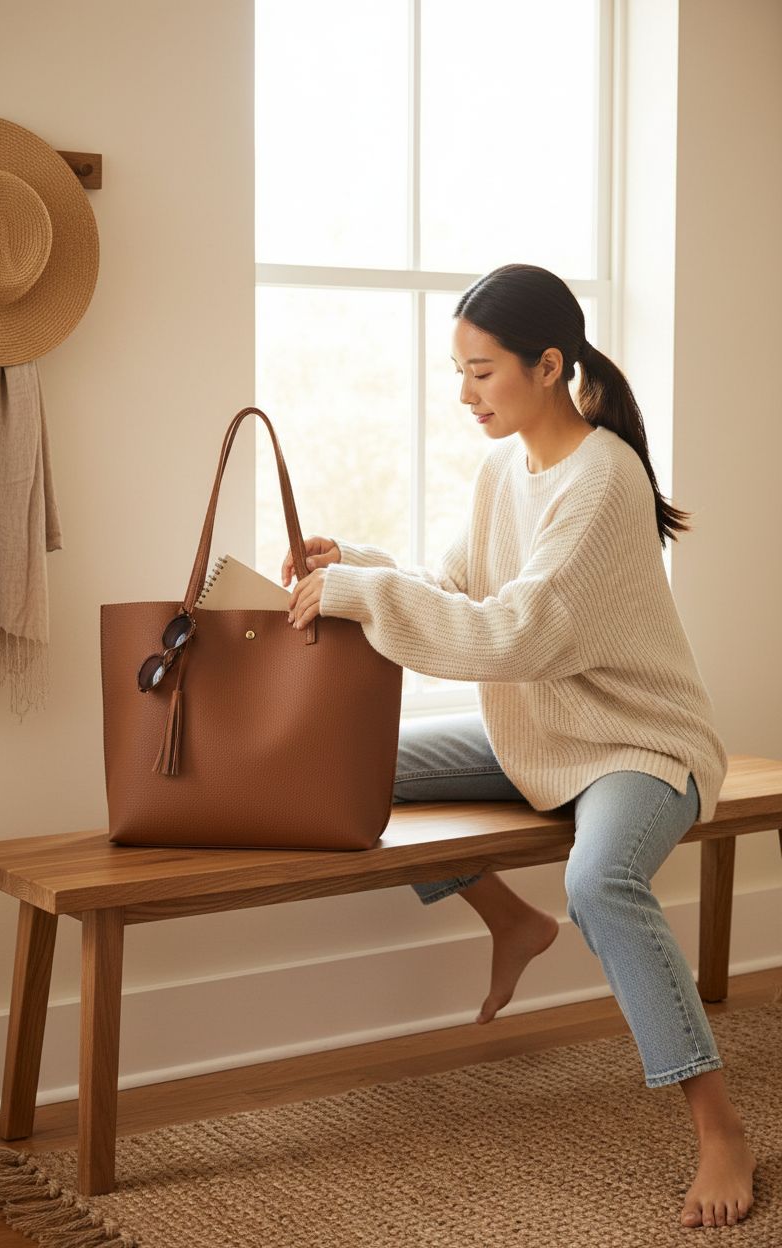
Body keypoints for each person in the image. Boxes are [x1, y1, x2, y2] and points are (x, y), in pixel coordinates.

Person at [281, 262, 756, 1229]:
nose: (463, 395)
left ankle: (718, 1126)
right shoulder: (505, 469)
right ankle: (508, 919)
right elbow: (461, 584)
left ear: (548, 366)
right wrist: (358, 563)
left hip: (638, 743)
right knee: (345, 774)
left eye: (481, 372)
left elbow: (513, 636)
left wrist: (362, 599)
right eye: (458, 371)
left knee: (598, 884)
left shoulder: (603, 479)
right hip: (539, 729)